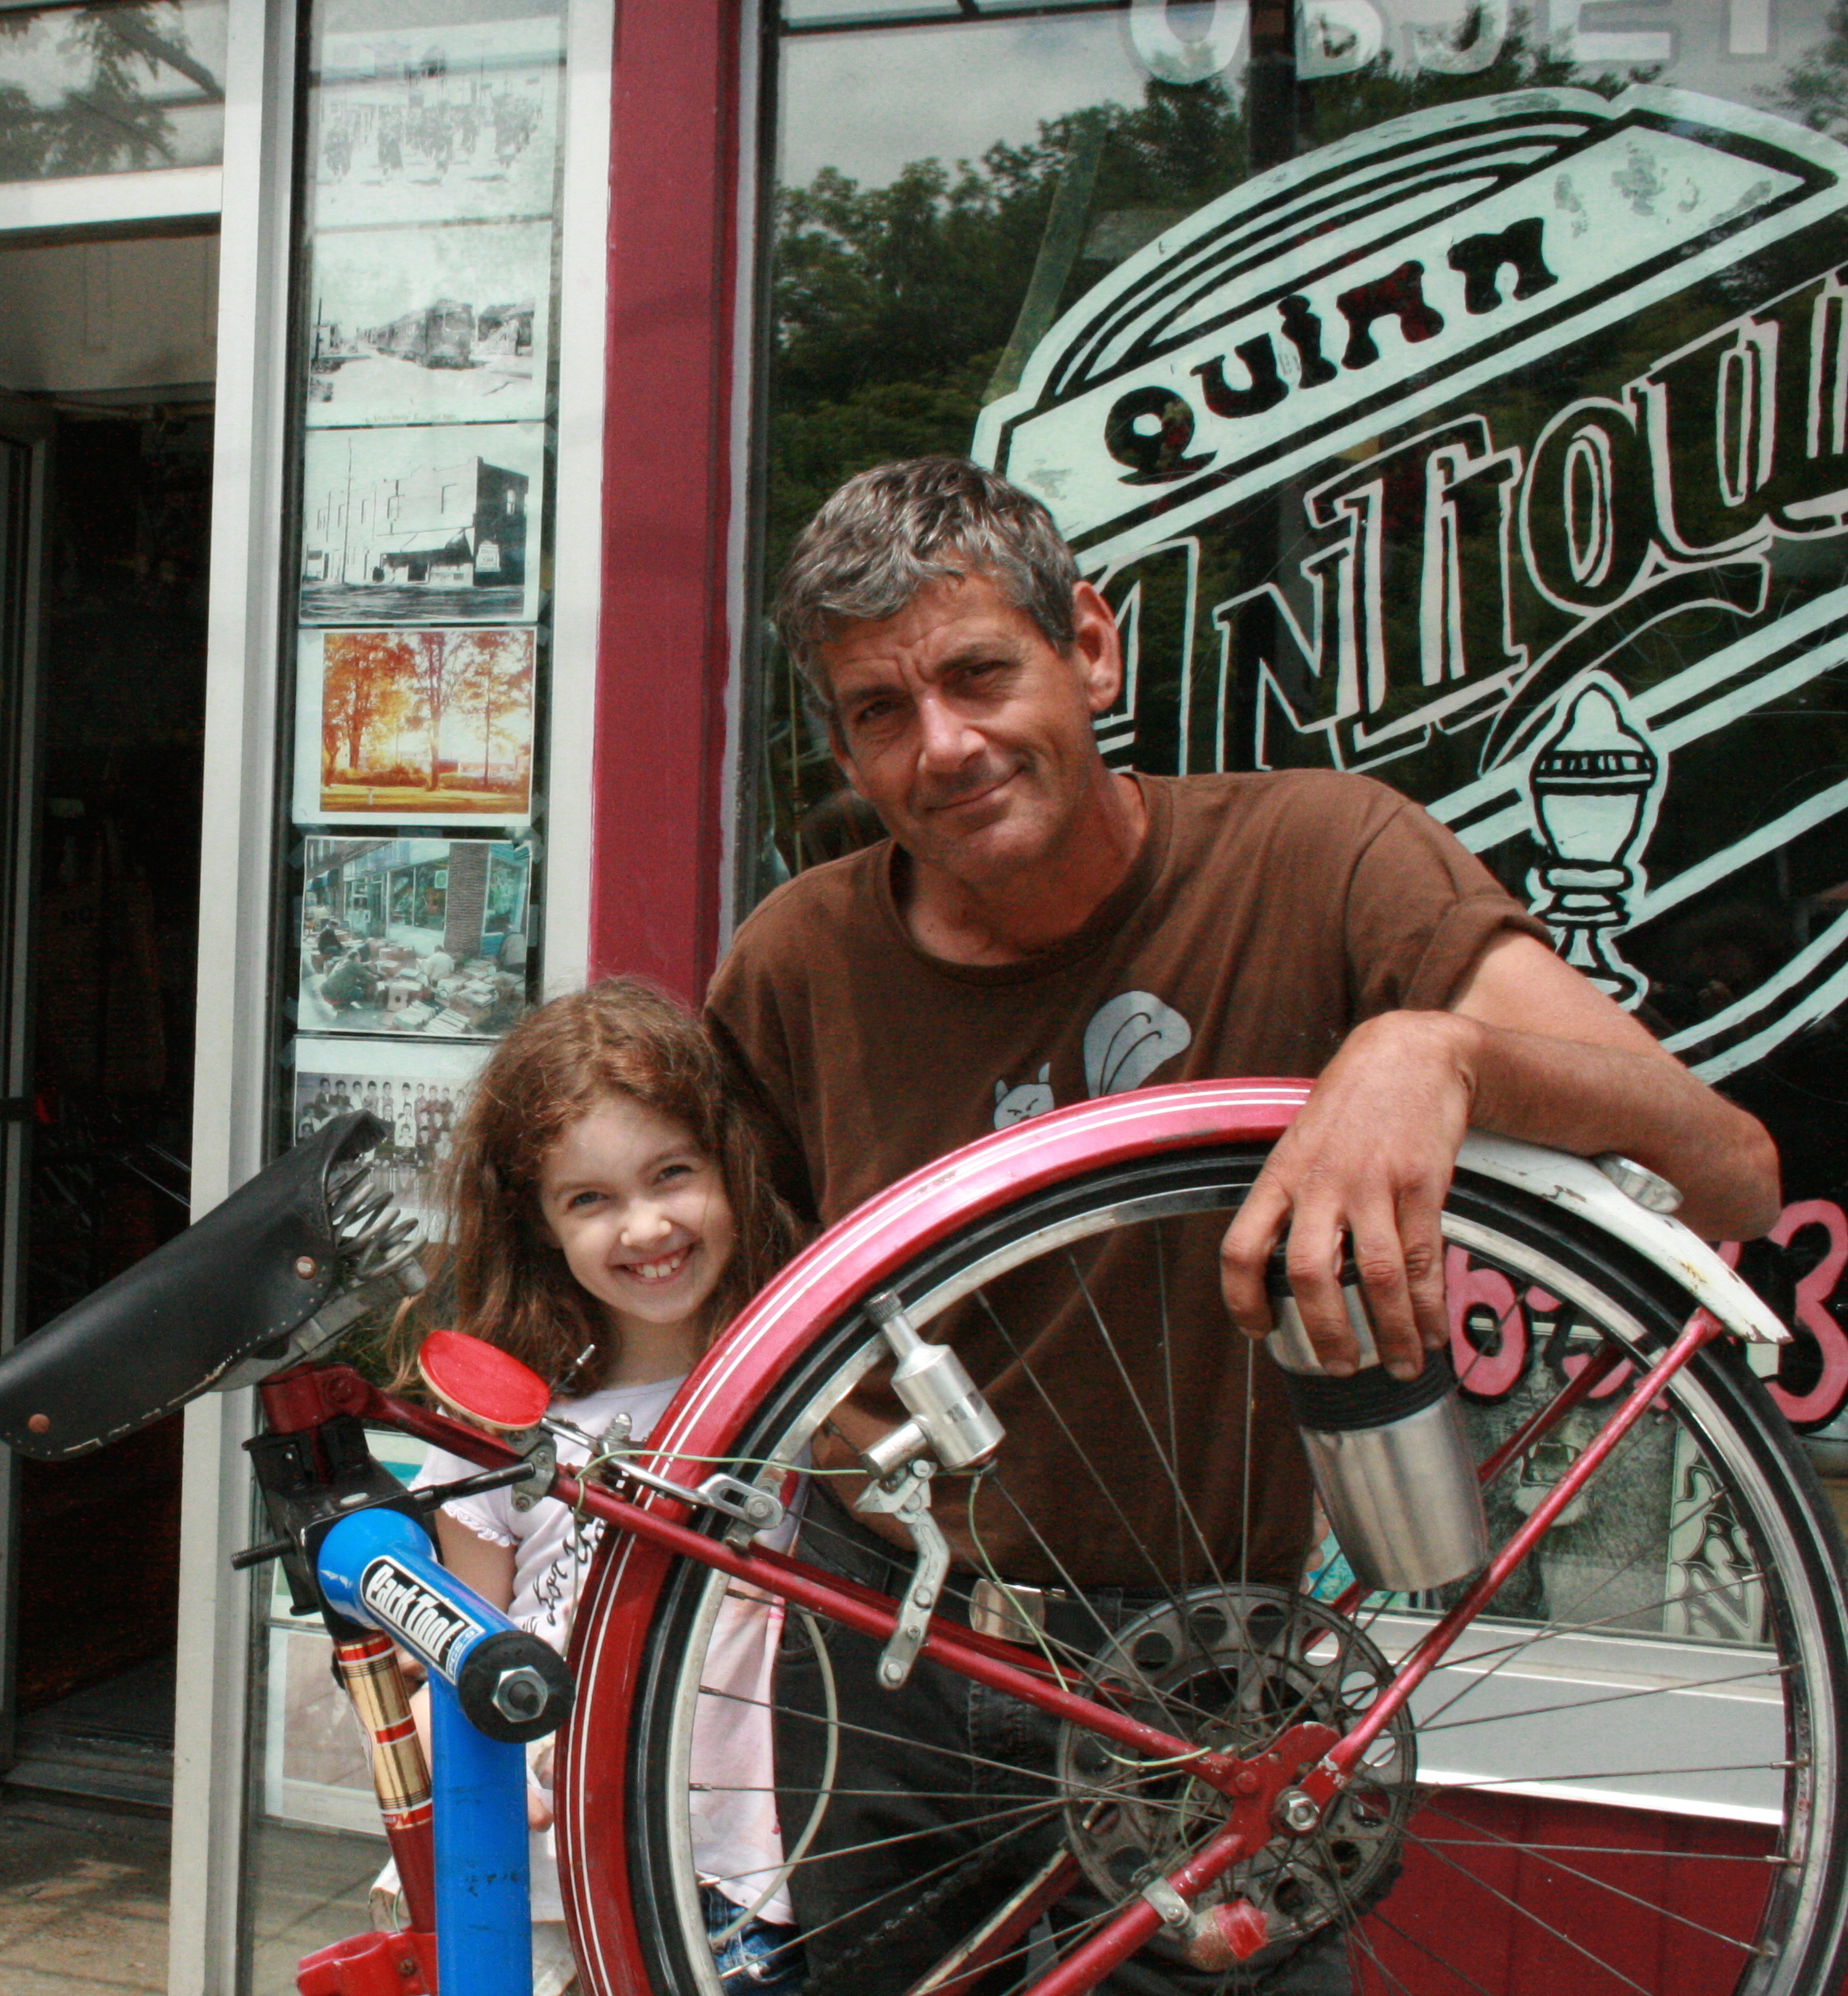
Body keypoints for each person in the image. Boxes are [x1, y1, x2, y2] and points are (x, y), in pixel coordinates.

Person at [704, 456, 1779, 1993]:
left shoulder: (1320, 863)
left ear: (1088, 647)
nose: (941, 745)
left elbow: (1726, 1168)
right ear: (841, 750)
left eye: (977, 674)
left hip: (1206, 1670)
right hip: (889, 1645)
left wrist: (1434, 1054)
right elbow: (725, 1328)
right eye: (880, 710)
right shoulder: (793, 963)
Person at [395, 980, 811, 1995]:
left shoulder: (802, 1392)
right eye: (589, 1199)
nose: (646, 1226)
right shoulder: (503, 1424)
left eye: (672, 1174)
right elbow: (463, 1641)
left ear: (732, 1164)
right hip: (543, 1873)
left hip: (737, 1877)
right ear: (538, 1223)